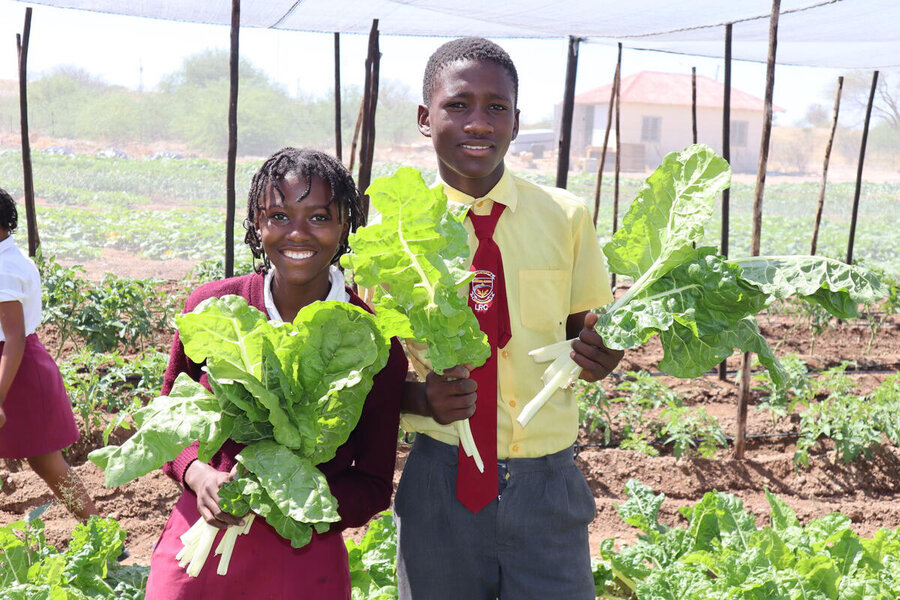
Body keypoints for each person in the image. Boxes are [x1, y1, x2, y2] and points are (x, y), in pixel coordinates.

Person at [395, 38, 625, 600]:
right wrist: (420, 398)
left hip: (547, 486)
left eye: (496, 107)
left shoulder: (566, 217)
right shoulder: (394, 234)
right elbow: (367, 377)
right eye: (458, 105)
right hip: (440, 481)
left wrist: (604, 353)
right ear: (426, 118)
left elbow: (585, 333)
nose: (478, 122)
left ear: (517, 122)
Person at [144, 148, 407, 600]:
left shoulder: (374, 341)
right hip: (199, 541)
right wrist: (198, 474)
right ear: (256, 223)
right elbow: (166, 427)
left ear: (345, 224)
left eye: (319, 217)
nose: (298, 234)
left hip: (302, 559)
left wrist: (288, 500)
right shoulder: (213, 310)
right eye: (280, 216)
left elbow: (374, 484)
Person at [0, 186, 99, 522]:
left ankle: (100, 534)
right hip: (17, 365)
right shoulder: (10, 258)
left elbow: (14, 338)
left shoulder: (4, 269)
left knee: (46, 462)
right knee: (46, 462)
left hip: (17, 372)